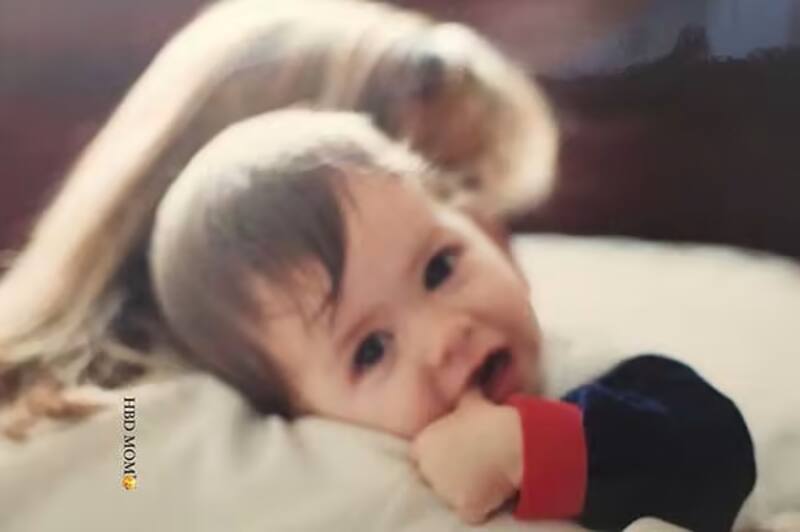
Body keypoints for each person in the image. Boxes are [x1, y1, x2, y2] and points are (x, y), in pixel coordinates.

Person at [148, 108, 755, 532]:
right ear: (299, 417)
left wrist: (527, 446)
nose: (445, 334)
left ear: (492, 237)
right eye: (371, 349)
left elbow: (717, 449)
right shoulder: (340, 477)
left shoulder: (593, 375)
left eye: (439, 269)